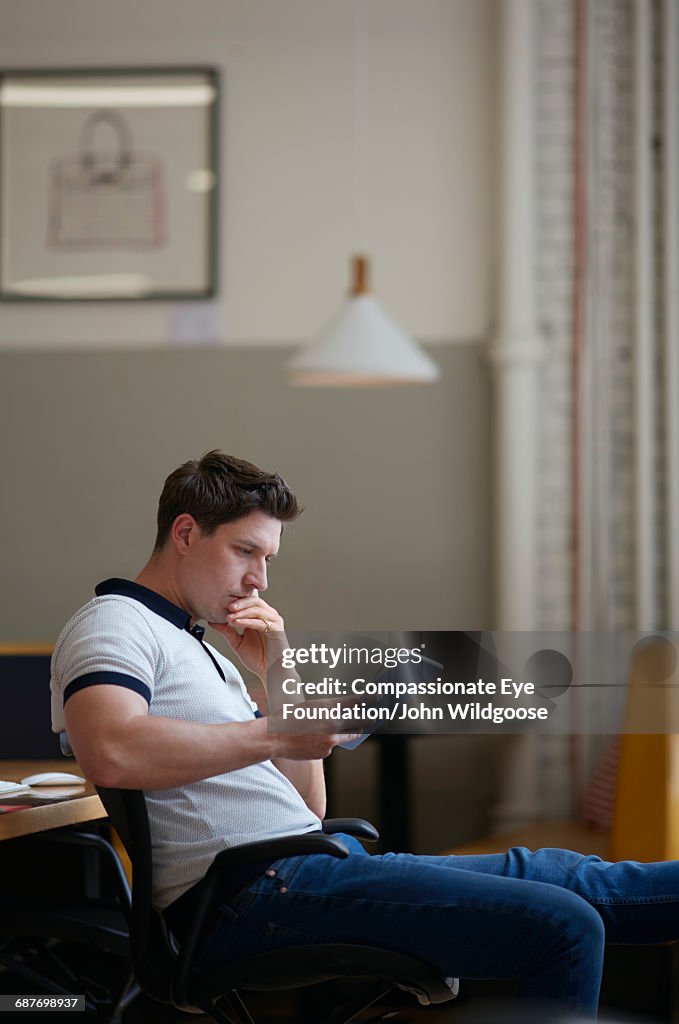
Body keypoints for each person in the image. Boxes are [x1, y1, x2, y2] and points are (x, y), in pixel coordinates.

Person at [51, 450, 679, 1020]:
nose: (260, 580)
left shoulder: (203, 649)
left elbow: (309, 809)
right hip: (251, 897)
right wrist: (273, 734)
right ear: (186, 533)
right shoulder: (115, 624)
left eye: (268, 559)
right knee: (564, 922)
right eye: (246, 552)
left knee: (566, 877)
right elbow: (112, 749)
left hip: (305, 870)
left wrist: (278, 670)